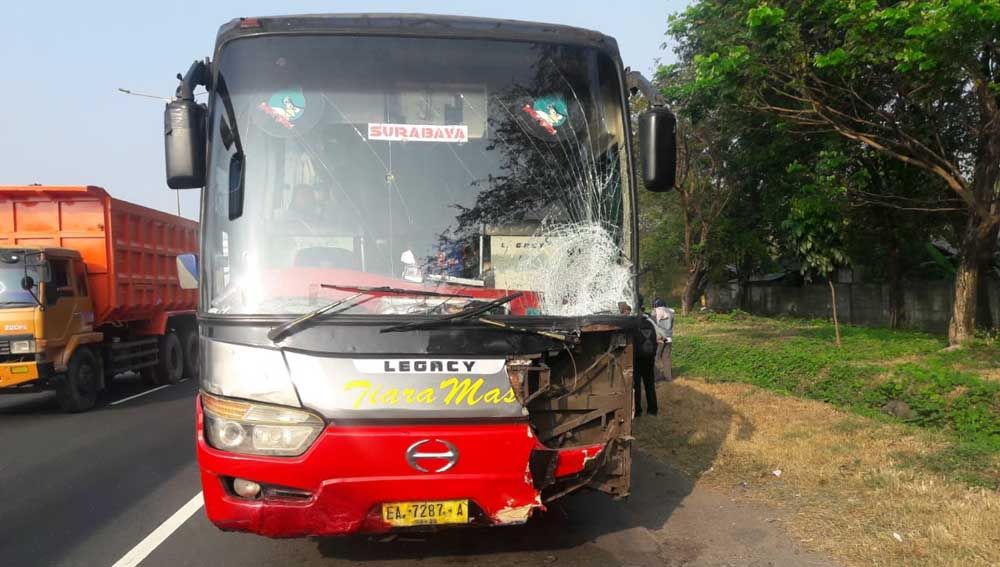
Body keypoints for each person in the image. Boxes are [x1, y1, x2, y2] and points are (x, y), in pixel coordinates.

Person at [634, 296, 658, 416]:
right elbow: (655, 341)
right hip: (649, 358)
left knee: (636, 385)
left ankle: (637, 411)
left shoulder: (633, 323)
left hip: (636, 358)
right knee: (649, 384)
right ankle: (652, 410)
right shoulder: (649, 323)